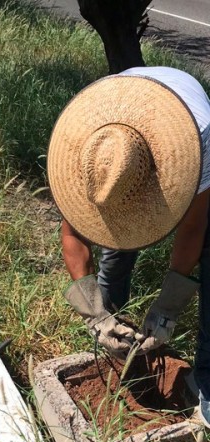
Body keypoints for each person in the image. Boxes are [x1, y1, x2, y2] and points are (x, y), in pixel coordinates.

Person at [48, 65, 210, 423]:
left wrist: (167, 308)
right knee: (117, 241)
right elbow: (72, 235)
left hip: (186, 133)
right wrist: (95, 316)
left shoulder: (198, 142)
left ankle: (207, 382)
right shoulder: (85, 149)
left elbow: (192, 229)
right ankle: (113, 329)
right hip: (117, 119)